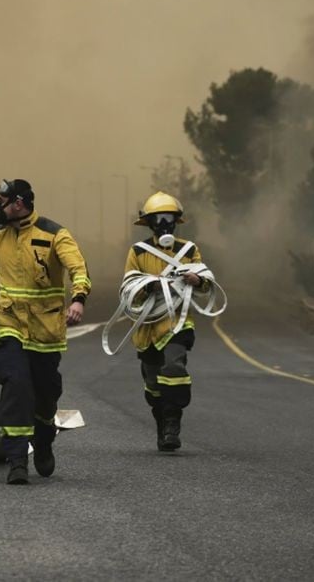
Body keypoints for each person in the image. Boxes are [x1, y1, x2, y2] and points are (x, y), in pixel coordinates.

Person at [0, 179, 91, 485]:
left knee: (46, 392)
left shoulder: (55, 234)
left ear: (18, 203)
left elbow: (78, 269)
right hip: (8, 321)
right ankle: (16, 460)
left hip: (45, 329)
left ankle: (43, 437)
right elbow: (2, 271)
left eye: (3, 201)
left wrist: (78, 299)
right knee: (16, 383)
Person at [123, 191, 210, 452]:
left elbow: (207, 283)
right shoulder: (138, 252)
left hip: (177, 323)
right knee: (153, 384)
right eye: (159, 219)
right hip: (147, 327)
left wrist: (198, 280)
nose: (164, 225)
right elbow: (128, 286)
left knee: (173, 367)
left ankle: (173, 422)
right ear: (149, 223)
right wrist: (147, 287)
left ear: (176, 221)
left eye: (169, 219)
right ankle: (163, 423)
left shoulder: (189, 250)